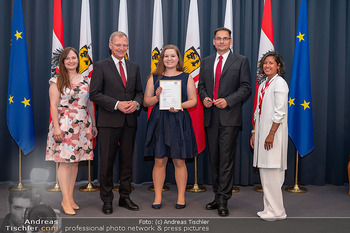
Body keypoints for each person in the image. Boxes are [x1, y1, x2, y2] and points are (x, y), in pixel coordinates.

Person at [198, 27, 251, 217]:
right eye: (218, 39)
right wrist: (204, 97)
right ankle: (216, 195)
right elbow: (201, 86)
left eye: (225, 39)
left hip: (229, 118)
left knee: (226, 160)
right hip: (211, 117)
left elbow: (246, 87)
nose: (221, 42)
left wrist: (228, 100)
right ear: (213, 42)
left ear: (230, 41)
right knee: (214, 160)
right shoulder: (206, 62)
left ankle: (223, 199)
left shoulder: (241, 61)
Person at [90, 31, 143, 214]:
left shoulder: (134, 66)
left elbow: (139, 92)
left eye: (125, 45)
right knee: (106, 163)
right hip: (108, 121)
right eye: (118, 45)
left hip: (129, 122)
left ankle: (125, 197)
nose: (122, 48)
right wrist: (117, 104)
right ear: (110, 45)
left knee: (127, 162)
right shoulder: (100, 66)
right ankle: (107, 200)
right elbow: (94, 94)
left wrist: (136, 103)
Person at [144, 45, 198, 209]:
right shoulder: (153, 78)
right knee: (159, 160)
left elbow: (193, 101)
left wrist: (180, 105)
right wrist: (157, 96)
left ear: (178, 58)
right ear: (162, 59)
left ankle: (181, 197)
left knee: (179, 160)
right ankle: (158, 197)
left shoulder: (187, 77)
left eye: (172, 56)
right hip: (160, 121)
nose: (169, 59)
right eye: (166, 56)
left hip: (178, 120)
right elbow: (146, 102)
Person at [46, 47, 97, 215]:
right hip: (64, 125)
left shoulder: (86, 80)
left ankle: (69, 197)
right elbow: (53, 106)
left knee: (75, 162)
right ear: (63, 61)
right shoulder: (56, 81)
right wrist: (57, 127)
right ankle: (65, 200)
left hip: (82, 125)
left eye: (73, 58)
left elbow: (90, 104)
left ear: (78, 60)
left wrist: (94, 125)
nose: (71, 61)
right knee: (64, 162)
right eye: (67, 58)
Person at [250, 51, 288, 221]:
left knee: (272, 172)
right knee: (265, 173)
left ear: (278, 66)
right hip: (262, 134)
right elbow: (259, 111)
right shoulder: (265, 83)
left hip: (273, 135)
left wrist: (271, 133)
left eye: (271, 63)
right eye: (265, 63)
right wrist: (254, 133)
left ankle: (278, 211)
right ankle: (269, 208)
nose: (267, 66)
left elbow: (280, 112)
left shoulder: (279, 83)